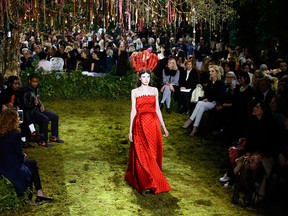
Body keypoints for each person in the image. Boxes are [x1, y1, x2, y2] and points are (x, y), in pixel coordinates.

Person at [125, 51, 171, 195]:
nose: (146, 79)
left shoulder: (155, 90)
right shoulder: (135, 92)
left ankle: (153, 180)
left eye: (148, 76)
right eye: (143, 76)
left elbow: (157, 109)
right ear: (139, 77)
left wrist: (164, 128)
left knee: (152, 153)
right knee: (141, 153)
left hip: (153, 124)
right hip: (140, 124)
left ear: (150, 77)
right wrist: (130, 130)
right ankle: (145, 181)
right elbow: (133, 111)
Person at [0, 109, 53, 205]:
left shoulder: (2, 133)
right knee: (31, 164)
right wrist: (23, 155)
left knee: (31, 162)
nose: (19, 119)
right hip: (11, 168)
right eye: (18, 117)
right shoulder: (15, 134)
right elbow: (18, 154)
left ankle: (38, 193)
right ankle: (32, 197)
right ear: (13, 120)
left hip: (2, 166)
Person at [22, 73, 64, 147]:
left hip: (37, 109)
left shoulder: (36, 89)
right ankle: (42, 141)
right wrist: (34, 104)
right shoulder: (26, 91)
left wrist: (41, 105)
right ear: (29, 81)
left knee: (55, 116)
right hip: (31, 112)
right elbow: (25, 106)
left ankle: (54, 137)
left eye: (36, 82)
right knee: (45, 119)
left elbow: (38, 99)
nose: (35, 83)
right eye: (33, 82)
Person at [182, 65, 226, 136]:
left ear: (217, 72)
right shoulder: (210, 82)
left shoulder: (221, 83)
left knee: (199, 103)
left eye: (212, 71)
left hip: (216, 103)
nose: (210, 73)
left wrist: (209, 99)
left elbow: (220, 96)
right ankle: (195, 128)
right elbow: (207, 93)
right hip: (208, 102)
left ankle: (190, 120)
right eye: (210, 71)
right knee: (201, 108)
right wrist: (207, 98)